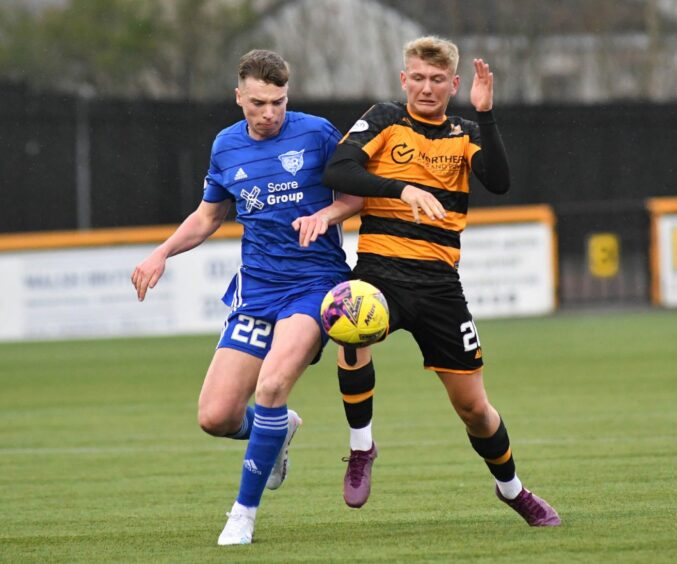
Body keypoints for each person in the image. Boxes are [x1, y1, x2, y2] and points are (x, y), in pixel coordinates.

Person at [296, 36, 560, 526]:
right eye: (417, 77)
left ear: (454, 84)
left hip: (440, 285)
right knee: (348, 322)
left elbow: (498, 181)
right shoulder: (383, 119)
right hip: (380, 271)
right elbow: (340, 168)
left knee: (475, 410)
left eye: (438, 79)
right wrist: (402, 187)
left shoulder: (463, 131)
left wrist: (487, 114)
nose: (426, 87)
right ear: (404, 79)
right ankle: (361, 448)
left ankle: (513, 490)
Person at [131, 49, 360, 545]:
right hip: (257, 291)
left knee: (272, 386)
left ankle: (242, 515)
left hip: (313, 285)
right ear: (239, 97)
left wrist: (329, 215)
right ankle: (277, 430)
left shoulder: (318, 133)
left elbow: (356, 195)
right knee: (215, 417)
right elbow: (208, 217)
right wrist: (162, 254)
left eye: (278, 101)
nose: (270, 113)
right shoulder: (225, 146)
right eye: (258, 102)